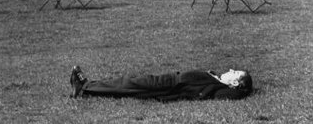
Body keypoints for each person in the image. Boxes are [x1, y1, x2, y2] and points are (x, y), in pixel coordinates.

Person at [69, 65, 253, 101]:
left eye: (235, 73)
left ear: (236, 83)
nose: (230, 70)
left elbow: (236, 94)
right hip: (168, 79)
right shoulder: (218, 80)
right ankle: (88, 87)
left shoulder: (222, 89)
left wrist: (243, 89)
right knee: (128, 83)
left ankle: (84, 87)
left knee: (128, 84)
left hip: (167, 85)